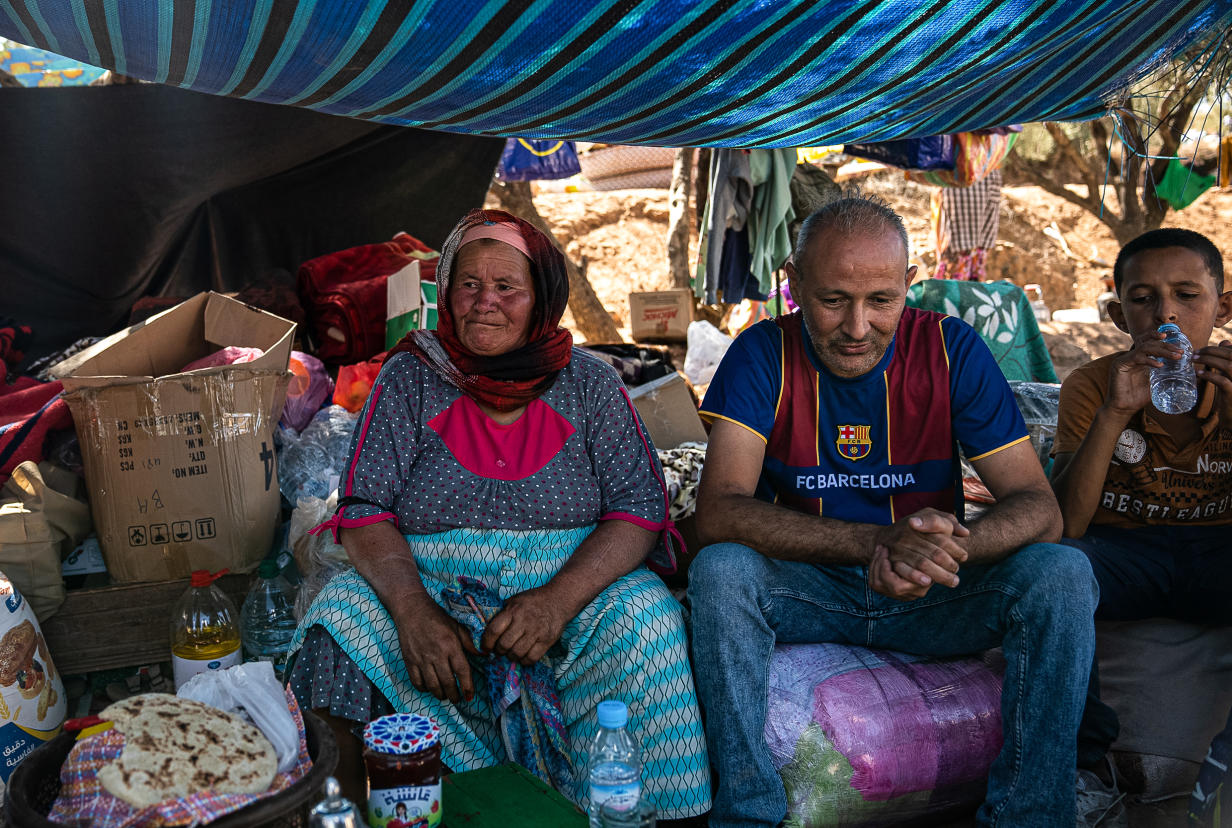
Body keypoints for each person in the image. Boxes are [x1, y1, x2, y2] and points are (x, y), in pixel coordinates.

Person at [689, 195, 1098, 828]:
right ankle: (748, 813)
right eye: (832, 301)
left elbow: (1039, 509)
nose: (857, 327)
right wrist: (877, 543)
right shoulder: (761, 353)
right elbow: (717, 512)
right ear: (793, 284)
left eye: (881, 300)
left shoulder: (950, 349)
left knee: (1062, 573)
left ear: (909, 285)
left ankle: (1030, 815)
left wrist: (940, 551)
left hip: (934, 590)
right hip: (812, 587)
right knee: (722, 571)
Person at [287, 208, 711, 819]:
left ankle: (635, 812)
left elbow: (639, 510)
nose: (484, 302)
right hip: (434, 596)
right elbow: (364, 507)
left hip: (576, 605)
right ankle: (351, 812)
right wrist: (413, 612)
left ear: (541, 298)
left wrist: (556, 602)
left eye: (507, 286)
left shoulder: (590, 383)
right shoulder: (410, 376)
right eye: (468, 283)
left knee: (647, 619)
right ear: (447, 292)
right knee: (338, 618)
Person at [1050, 228, 1232, 827]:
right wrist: (1115, 410)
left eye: (1188, 295)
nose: (1167, 315)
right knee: (1050, 571)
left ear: (1225, 306)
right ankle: (1086, 767)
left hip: (1223, 550)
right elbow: (1067, 524)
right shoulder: (1092, 383)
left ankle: (1231, 759)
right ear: (1116, 312)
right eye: (1143, 298)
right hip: (1126, 549)